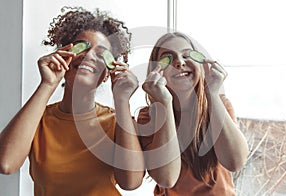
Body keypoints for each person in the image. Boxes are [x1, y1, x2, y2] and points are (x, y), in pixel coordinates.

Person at [0, 6, 144, 195]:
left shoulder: (117, 121)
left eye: (101, 54)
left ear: (108, 72)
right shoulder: (38, 120)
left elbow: (131, 182)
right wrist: (48, 83)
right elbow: (6, 163)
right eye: (82, 46)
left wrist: (122, 100)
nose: (89, 56)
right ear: (64, 54)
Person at [137, 32, 249, 195]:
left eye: (187, 55)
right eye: (168, 58)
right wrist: (165, 103)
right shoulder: (148, 117)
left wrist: (212, 94)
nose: (180, 62)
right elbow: (166, 178)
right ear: (156, 71)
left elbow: (235, 162)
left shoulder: (220, 104)